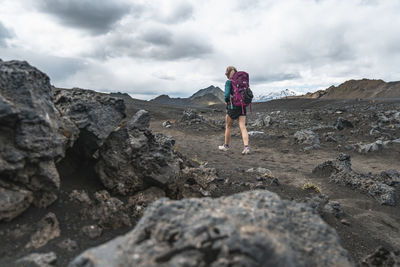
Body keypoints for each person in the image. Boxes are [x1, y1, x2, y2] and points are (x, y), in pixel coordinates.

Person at [218, 66, 250, 154]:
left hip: (232, 108)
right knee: (243, 127)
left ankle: (226, 146)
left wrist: (226, 101)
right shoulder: (241, 82)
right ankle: (246, 147)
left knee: (228, 126)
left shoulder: (229, 82)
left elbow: (226, 95)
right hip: (242, 107)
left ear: (228, 73)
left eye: (226, 72)